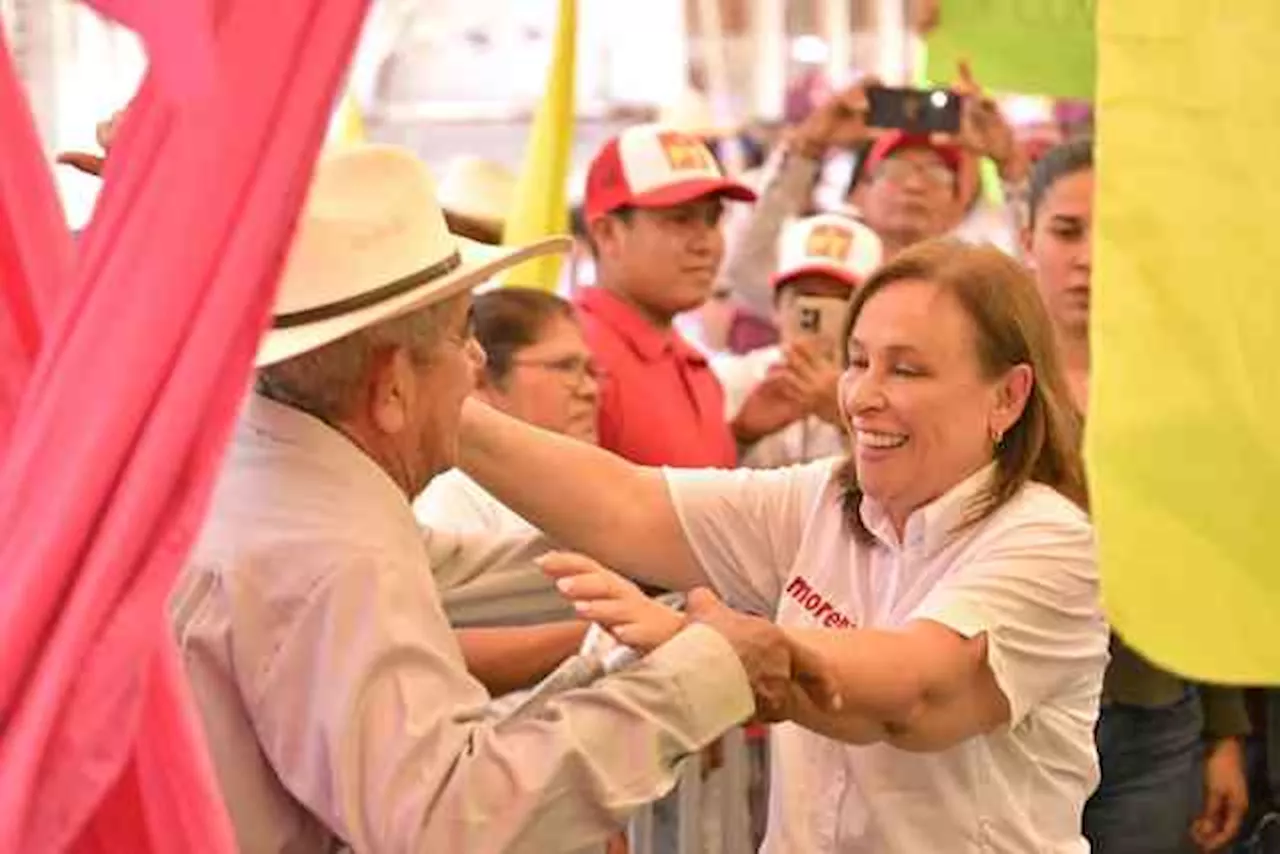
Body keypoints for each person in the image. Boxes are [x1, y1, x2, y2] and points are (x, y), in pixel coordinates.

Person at [169, 143, 816, 854]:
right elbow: (452, 819)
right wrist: (700, 676)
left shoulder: (276, 481)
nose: (476, 364)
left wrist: (684, 561)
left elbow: (462, 574)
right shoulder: (336, 552)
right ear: (390, 387)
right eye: (461, 335)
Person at [456, 238, 1111, 852]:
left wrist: (713, 652)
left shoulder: (1049, 541)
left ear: (1008, 396)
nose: (862, 397)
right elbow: (624, 505)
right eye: (856, 362)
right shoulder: (822, 497)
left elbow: (915, 691)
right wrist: (441, 406)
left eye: (907, 370)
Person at [1023, 137, 1251, 854]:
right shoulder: (981, 379)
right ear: (1024, 235)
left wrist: (1223, 733)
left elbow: (1208, 563)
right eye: (1066, 231)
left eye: (1114, 233)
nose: (1089, 256)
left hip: (1156, 718)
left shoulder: (1183, 391)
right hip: (1012, 719)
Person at [716, 64, 1028, 326]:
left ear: (959, 205)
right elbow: (745, 272)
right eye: (894, 171)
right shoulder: (820, 279)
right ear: (857, 194)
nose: (914, 186)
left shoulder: (976, 290)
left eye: (936, 174)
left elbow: (1038, 284)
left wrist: (1012, 165)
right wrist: (805, 150)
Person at [576, 124, 757, 467]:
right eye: (680, 220)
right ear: (608, 233)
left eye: (713, 219)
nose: (706, 243)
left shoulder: (689, 360)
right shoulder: (575, 359)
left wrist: (743, 436)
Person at [415, 287, 600, 537]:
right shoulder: (455, 497)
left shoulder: (588, 488)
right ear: (480, 379)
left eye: (590, 370)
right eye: (565, 367)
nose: (590, 390)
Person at [713, 213, 883, 468]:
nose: (816, 314)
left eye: (839, 301)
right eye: (805, 297)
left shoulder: (886, 397)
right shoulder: (726, 380)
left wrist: (847, 421)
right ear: (776, 307)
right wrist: (742, 435)